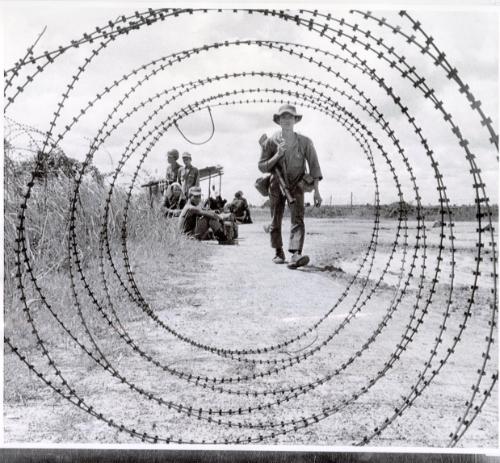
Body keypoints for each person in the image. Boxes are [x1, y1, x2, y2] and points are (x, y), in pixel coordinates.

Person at [258, 104, 322, 269]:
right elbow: (262, 166)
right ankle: (278, 252)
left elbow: (314, 167)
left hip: (297, 184)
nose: (287, 120)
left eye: (290, 117)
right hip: (276, 183)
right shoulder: (271, 142)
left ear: (295, 120)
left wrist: (316, 192)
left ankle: (295, 254)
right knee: (275, 218)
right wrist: (277, 155)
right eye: (283, 117)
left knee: (298, 218)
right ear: (278, 120)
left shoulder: (305, 142)